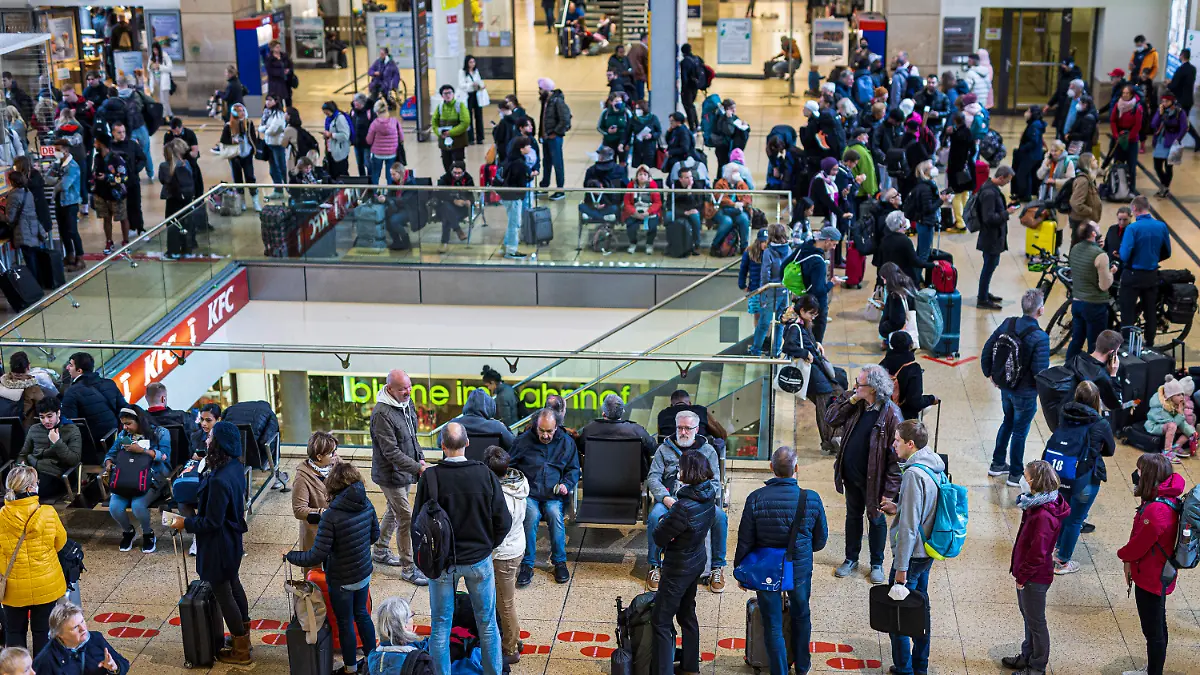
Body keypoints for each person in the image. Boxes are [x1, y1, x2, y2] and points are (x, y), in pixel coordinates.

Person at [415, 422, 510, 675]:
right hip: (478, 561)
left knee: (441, 626)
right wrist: (488, 546)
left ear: (443, 446)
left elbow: (418, 524)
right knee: (487, 624)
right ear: (468, 443)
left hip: (442, 563)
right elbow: (504, 520)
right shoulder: (485, 475)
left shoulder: (431, 477)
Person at [733, 446, 827, 675]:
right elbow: (820, 540)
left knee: (772, 623)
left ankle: (779, 671)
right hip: (799, 568)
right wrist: (802, 551)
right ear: (796, 468)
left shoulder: (755, 498)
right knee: (801, 614)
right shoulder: (810, 499)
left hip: (766, 569)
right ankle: (803, 666)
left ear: (771, 468)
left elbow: (745, 539)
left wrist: (740, 570)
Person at [167, 421, 252, 665]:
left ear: (219, 444)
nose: (206, 440)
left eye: (210, 437)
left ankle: (240, 648)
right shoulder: (235, 466)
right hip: (232, 541)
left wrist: (185, 524)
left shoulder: (218, 479)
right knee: (234, 585)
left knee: (224, 594)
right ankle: (244, 636)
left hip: (218, 546)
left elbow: (211, 522)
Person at [285, 461, 379, 673]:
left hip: (341, 579)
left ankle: (350, 669)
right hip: (363, 572)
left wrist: (292, 556)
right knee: (362, 614)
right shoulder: (367, 503)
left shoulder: (331, 515)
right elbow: (375, 535)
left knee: (345, 622)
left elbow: (317, 554)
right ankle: (374, 662)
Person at [825, 365, 903, 584]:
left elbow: (896, 460)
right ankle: (851, 558)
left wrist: (889, 492)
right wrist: (850, 400)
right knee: (853, 516)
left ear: (874, 388)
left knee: (876, 519)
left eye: (860, 384)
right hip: (851, 476)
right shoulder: (855, 402)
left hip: (875, 482)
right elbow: (831, 419)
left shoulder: (891, 415)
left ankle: (877, 563)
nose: (855, 387)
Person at [877, 419, 943, 675]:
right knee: (921, 608)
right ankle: (920, 665)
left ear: (910, 444)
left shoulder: (914, 474)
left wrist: (901, 569)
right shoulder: (931, 463)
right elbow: (922, 507)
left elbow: (908, 527)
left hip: (912, 555)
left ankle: (906, 669)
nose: (893, 444)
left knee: (899, 615)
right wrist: (899, 507)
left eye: (897, 440)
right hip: (926, 550)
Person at [649, 449, 715, 675]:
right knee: (687, 614)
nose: (678, 471)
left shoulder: (682, 507)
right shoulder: (709, 494)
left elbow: (659, 536)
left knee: (661, 620)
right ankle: (690, 667)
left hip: (678, 568)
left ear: (690, 472)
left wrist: (664, 520)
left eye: (681, 468)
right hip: (697, 561)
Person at [645, 410, 726, 592]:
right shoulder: (664, 449)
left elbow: (715, 483)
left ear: (696, 429)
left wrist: (701, 500)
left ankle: (717, 567)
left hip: (700, 501)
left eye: (687, 428)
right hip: (670, 500)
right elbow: (653, 478)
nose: (683, 432)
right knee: (654, 516)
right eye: (680, 428)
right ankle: (655, 565)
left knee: (720, 517)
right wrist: (665, 498)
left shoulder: (708, 451)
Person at [1116, 453, 1183, 675]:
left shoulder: (1157, 511)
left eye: (1140, 470)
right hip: (1158, 571)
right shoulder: (1165, 497)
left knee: (1153, 630)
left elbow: (1139, 545)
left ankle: (1154, 672)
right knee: (1157, 625)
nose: (1137, 474)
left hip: (1151, 577)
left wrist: (1123, 555)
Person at [1002, 460, 1070, 675]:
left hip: (1034, 577)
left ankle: (1037, 666)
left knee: (1036, 622)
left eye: (1025, 475)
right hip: (1029, 574)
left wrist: (1022, 576)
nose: (1022, 478)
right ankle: (1027, 655)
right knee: (1029, 617)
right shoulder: (1036, 504)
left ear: (1033, 481)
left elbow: (1037, 553)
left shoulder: (1043, 515)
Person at [982, 289, 1051, 486]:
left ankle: (997, 464)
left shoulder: (1008, 323)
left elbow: (988, 346)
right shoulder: (1040, 337)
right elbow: (1040, 372)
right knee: (1020, 431)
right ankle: (1014, 473)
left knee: (1007, 422)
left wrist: (991, 374)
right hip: (1025, 393)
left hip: (1006, 387)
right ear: (1041, 310)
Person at [369, 369, 428, 586]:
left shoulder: (407, 403)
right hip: (390, 475)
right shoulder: (381, 414)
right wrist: (418, 468)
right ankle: (408, 568)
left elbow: (413, 436)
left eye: (409, 386)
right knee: (406, 517)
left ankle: (381, 550)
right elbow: (390, 453)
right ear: (390, 388)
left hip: (406, 471)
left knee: (394, 512)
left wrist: (419, 459)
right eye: (403, 388)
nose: (408, 391)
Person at [1048, 381, 1114, 576]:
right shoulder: (1099, 423)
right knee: (1075, 519)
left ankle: (1055, 548)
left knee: (1062, 513)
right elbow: (1110, 449)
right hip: (1085, 477)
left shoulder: (1064, 413)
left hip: (1062, 472)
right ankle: (1062, 561)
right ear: (1096, 400)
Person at [0, 465, 67, 655]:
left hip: (12, 587)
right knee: (42, 632)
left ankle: (16, 669)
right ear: (30, 488)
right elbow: (60, 542)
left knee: (13, 632)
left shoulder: (1, 517)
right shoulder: (47, 513)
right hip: (45, 584)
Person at [510, 409, 579, 586]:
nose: (546, 435)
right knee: (530, 516)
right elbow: (511, 466)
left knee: (555, 515)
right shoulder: (523, 441)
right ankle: (527, 565)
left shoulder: (566, 442)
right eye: (542, 430)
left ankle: (559, 562)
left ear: (556, 427)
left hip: (554, 494)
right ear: (536, 426)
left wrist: (566, 484)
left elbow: (573, 469)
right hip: (530, 493)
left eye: (549, 431)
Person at [104, 406, 170, 553]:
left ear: (139, 421)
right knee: (115, 507)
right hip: (127, 477)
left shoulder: (161, 433)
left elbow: (165, 457)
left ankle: (148, 533)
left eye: (128, 423)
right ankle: (128, 531)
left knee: (138, 506)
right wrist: (109, 463)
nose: (125, 427)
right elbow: (110, 454)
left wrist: (143, 451)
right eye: (123, 424)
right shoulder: (123, 435)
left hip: (152, 477)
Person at [781, 295, 841, 454]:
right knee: (824, 405)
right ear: (802, 311)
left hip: (815, 369)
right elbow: (787, 346)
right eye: (811, 313)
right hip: (811, 372)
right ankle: (829, 442)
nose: (814, 317)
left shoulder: (801, 323)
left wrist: (816, 345)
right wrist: (805, 352)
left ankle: (832, 439)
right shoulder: (795, 326)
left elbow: (805, 340)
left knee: (831, 398)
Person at [485, 446, 526, 666]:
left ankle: (510, 648)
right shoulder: (518, 482)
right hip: (517, 546)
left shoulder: (500, 496)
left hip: (504, 554)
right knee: (506, 599)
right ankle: (515, 637)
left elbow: (498, 529)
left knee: (505, 602)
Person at [1119, 196, 1171, 346]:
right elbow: (1167, 252)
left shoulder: (1132, 228)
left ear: (1134, 209)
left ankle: (1128, 345)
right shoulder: (1161, 226)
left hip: (1132, 276)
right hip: (1151, 276)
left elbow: (1124, 255)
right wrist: (1152, 259)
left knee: (1127, 313)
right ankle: (1150, 344)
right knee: (1150, 313)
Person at [1065, 221, 1117, 360]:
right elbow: (1104, 285)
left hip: (1077, 302)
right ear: (1093, 233)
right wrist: (1111, 272)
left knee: (1076, 340)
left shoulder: (1075, 248)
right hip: (1094, 305)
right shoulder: (1100, 255)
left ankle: (1067, 370)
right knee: (1095, 345)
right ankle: (1090, 376)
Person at [31, 603, 129, 675]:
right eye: (75, 627)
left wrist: (114, 668)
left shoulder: (96, 639)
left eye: (82, 621)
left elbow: (124, 663)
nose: (83, 629)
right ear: (59, 634)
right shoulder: (45, 660)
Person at [576, 393, 656, 478]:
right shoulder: (637, 431)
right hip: (631, 485)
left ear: (603, 413)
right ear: (622, 412)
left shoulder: (590, 430)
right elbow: (652, 448)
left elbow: (581, 449)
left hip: (596, 484)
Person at [975, 165, 1019, 309]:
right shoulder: (989, 193)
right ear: (1001, 177)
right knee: (988, 267)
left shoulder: (990, 188)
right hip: (991, 237)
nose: (1008, 183)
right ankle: (982, 299)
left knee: (990, 266)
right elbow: (989, 218)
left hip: (992, 236)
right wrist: (1007, 213)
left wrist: (1006, 208)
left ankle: (984, 293)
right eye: (1007, 180)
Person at [18, 399, 81, 496]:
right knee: (15, 487)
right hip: (33, 471)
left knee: (31, 492)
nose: (46, 421)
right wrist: (22, 465)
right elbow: (23, 454)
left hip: (55, 474)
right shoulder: (34, 429)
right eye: (42, 417)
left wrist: (57, 442)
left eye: (49, 416)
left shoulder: (71, 430)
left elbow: (74, 460)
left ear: (58, 413)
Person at [60, 352, 126, 443]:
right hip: (115, 437)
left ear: (79, 370)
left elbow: (69, 425)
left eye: (71, 365)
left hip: (92, 445)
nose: (67, 368)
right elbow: (124, 409)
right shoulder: (109, 383)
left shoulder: (72, 392)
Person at [291, 431, 338, 558]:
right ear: (319, 457)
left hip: (339, 532)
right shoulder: (302, 478)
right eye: (331, 453)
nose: (335, 455)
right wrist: (324, 513)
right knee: (318, 574)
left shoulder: (338, 464)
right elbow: (299, 510)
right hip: (317, 535)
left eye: (335, 450)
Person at [790, 226, 840, 343]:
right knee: (816, 343)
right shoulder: (818, 262)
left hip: (805, 300)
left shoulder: (806, 250)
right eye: (833, 244)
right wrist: (832, 283)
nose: (834, 247)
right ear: (827, 240)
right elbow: (819, 289)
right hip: (817, 305)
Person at [2, 173, 48, 283]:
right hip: (32, 227)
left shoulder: (14, 195)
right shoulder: (27, 192)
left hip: (23, 230)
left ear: (12, 182)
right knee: (34, 256)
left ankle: (34, 284)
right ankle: (40, 282)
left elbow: (10, 218)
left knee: (29, 258)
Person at [904, 159, 951, 261]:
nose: (934, 168)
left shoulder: (926, 184)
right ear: (925, 171)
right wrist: (941, 200)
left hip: (923, 222)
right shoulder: (926, 188)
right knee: (923, 255)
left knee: (921, 251)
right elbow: (928, 209)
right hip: (925, 223)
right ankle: (917, 276)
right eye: (931, 167)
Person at [90, 131, 128, 254]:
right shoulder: (96, 158)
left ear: (101, 144)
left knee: (122, 217)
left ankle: (126, 241)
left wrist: (107, 177)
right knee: (106, 218)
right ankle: (109, 241)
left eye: (96, 142)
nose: (94, 144)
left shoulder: (117, 159)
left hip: (116, 195)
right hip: (101, 194)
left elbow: (124, 177)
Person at [218, 103, 261, 212]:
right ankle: (242, 202)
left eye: (242, 110)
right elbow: (223, 140)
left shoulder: (249, 123)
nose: (241, 113)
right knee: (238, 179)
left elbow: (253, 138)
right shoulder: (228, 126)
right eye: (238, 111)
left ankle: (255, 201)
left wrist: (253, 150)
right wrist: (232, 141)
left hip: (247, 155)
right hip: (235, 156)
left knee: (250, 177)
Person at [498, 137, 536, 259]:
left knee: (512, 222)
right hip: (513, 197)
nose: (530, 148)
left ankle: (505, 246)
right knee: (514, 224)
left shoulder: (510, 159)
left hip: (506, 195)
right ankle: (511, 250)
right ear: (521, 148)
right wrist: (530, 176)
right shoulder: (519, 163)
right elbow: (521, 181)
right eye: (528, 146)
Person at [441, 388, 515, 451]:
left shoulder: (453, 425)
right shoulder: (496, 426)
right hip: (488, 467)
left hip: (459, 466)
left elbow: (440, 442)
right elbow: (513, 444)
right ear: (490, 407)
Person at [50, 137, 84, 271]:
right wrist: (59, 180)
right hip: (59, 202)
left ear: (65, 150)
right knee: (63, 231)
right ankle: (70, 255)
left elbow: (65, 185)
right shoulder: (57, 164)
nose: (55, 152)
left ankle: (80, 257)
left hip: (70, 203)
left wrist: (57, 181)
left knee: (72, 231)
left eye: (57, 150)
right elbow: (47, 178)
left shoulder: (73, 166)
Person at [159, 138, 197, 258]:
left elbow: (162, 180)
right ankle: (187, 249)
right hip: (187, 199)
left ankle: (173, 251)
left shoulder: (164, 166)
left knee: (173, 224)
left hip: (172, 199)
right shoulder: (187, 164)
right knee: (187, 224)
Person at [1145, 376, 1196, 460]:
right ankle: (1167, 452)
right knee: (1172, 425)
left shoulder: (1176, 404)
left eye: (1182, 394)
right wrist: (1180, 414)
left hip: (1169, 425)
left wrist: (1192, 433)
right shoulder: (1159, 407)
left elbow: (1181, 423)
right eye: (1178, 395)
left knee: (1190, 429)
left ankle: (1176, 447)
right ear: (1170, 396)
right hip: (1155, 425)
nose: (1182, 397)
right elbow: (1172, 423)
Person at [875, 211, 929, 288]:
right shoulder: (905, 241)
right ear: (900, 224)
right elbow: (916, 262)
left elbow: (879, 264)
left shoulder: (884, 240)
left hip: (889, 280)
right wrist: (932, 265)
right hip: (904, 279)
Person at [536, 79, 569, 200]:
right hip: (546, 138)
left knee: (557, 163)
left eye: (541, 89)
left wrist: (556, 132)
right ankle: (544, 186)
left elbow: (565, 119)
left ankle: (560, 189)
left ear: (547, 89)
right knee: (547, 162)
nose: (539, 91)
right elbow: (543, 118)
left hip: (554, 138)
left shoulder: (557, 101)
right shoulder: (546, 101)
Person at [1150, 92, 1188, 196]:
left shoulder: (1179, 112)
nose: (1164, 103)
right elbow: (1153, 124)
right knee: (1157, 165)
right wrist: (1160, 114)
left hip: (1172, 142)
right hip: (1160, 141)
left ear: (1172, 101)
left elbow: (1184, 127)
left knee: (1168, 166)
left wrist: (1177, 139)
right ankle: (1164, 184)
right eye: (1163, 101)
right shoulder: (1161, 111)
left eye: (1166, 101)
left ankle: (1165, 187)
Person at [1110, 85, 1143, 192]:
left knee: (1131, 165)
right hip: (1119, 137)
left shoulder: (1137, 108)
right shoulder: (1118, 105)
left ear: (1131, 94)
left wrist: (1128, 138)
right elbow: (1113, 120)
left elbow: (1137, 125)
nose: (1124, 95)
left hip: (1131, 140)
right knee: (1118, 164)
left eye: (1127, 93)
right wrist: (1116, 135)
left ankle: (1131, 189)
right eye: (1123, 93)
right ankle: (1117, 187)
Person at [711, 167, 752, 253]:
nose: (736, 174)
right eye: (734, 172)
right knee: (727, 221)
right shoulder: (720, 183)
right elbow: (720, 198)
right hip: (722, 210)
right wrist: (734, 204)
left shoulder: (741, 183)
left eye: (737, 171)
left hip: (737, 211)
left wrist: (742, 203)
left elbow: (748, 197)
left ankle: (744, 246)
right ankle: (715, 245)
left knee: (744, 219)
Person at [1012, 106, 1046, 204]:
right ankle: (1026, 194)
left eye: (1028, 111)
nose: (1026, 113)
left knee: (1021, 175)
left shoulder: (1034, 125)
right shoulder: (1037, 124)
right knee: (1027, 175)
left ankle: (1023, 195)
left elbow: (1033, 142)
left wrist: (1022, 149)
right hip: (1034, 154)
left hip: (1030, 155)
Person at [1166, 48, 1200, 149]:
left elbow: (1174, 85)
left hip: (1180, 100)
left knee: (1180, 122)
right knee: (1184, 122)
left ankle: (1177, 141)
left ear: (1182, 56)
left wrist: (1168, 84)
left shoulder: (1181, 69)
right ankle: (1195, 140)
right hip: (1189, 100)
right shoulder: (1193, 69)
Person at [432, 85, 469, 174]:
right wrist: (439, 133)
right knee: (446, 163)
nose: (448, 95)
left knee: (458, 163)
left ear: (453, 94)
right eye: (445, 93)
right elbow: (434, 122)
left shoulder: (460, 105)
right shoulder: (440, 107)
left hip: (458, 142)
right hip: (444, 142)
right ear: (442, 95)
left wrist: (450, 133)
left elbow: (465, 122)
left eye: (450, 93)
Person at [366, 99, 403, 186]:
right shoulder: (395, 122)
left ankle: (375, 193)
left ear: (377, 112)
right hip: (392, 153)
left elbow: (369, 140)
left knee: (375, 174)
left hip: (377, 154)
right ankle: (390, 194)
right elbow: (401, 137)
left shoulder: (374, 124)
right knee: (390, 174)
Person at [878, 261, 917, 343]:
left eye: (884, 279)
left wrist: (883, 328)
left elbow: (897, 321)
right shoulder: (907, 284)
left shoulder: (895, 296)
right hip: (909, 333)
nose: (884, 282)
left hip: (898, 338)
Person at [458, 56, 488, 146]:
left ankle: (480, 137)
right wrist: (471, 84)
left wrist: (481, 85)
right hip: (468, 95)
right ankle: (470, 138)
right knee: (469, 116)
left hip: (476, 94)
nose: (472, 64)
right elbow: (461, 84)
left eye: (473, 62)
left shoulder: (476, 71)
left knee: (479, 116)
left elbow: (479, 80)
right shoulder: (462, 72)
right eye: (470, 62)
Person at [712, 98, 749, 169]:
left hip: (729, 147)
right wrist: (729, 119)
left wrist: (745, 125)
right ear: (726, 109)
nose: (734, 110)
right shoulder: (722, 118)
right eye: (731, 108)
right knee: (723, 168)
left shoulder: (733, 117)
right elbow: (730, 131)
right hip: (723, 148)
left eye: (735, 107)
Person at [320, 101, 351, 181]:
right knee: (332, 174)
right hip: (331, 150)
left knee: (340, 174)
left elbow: (345, 135)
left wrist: (331, 135)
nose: (326, 115)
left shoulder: (340, 119)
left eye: (327, 113)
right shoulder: (330, 119)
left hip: (339, 152)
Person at [678, 44, 703, 130]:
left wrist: (683, 90)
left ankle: (692, 126)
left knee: (688, 106)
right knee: (691, 105)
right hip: (695, 86)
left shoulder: (685, 62)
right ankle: (696, 123)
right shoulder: (697, 59)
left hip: (688, 87)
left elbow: (684, 77)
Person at [350, 93, 375, 177]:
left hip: (367, 144)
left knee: (367, 163)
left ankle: (370, 179)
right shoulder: (353, 111)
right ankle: (362, 179)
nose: (354, 103)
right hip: (357, 142)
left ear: (362, 103)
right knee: (359, 163)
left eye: (356, 102)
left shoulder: (370, 112)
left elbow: (374, 127)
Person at [627, 34, 649, 101]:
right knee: (640, 95)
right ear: (644, 39)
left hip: (632, 74)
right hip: (640, 74)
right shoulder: (644, 49)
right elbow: (647, 64)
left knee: (634, 94)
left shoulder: (634, 47)